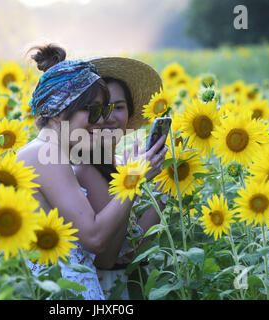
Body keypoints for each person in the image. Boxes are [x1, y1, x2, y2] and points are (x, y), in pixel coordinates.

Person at [16, 44, 166, 300]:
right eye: (93, 111)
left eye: (105, 110)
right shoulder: (44, 155)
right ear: (56, 112)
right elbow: (95, 238)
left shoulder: (51, 154)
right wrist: (133, 180)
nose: (100, 122)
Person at [73, 57, 169, 299]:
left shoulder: (117, 161)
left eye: (118, 107)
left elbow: (141, 244)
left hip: (131, 283)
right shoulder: (86, 167)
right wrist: (138, 180)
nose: (109, 117)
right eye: (101, 109)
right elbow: (108, 257)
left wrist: (162, 186)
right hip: (108, 290)